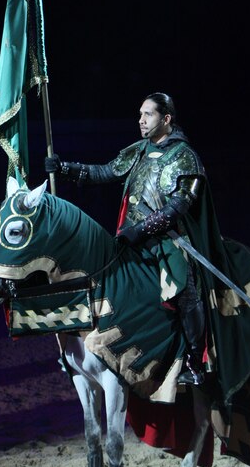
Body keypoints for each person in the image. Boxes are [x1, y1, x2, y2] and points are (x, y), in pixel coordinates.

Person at [45, 91, 208, 386]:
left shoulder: (186, 158)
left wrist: (142, 229)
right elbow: (106, 171)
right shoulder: (139, 150)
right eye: (140, 114)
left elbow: (178, 206)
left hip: (167, 240)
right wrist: (66, 169)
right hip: (128, 238)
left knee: (185, 291)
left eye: (149, 115)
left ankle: (196, 364)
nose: (141, 120)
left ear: (166, 119)